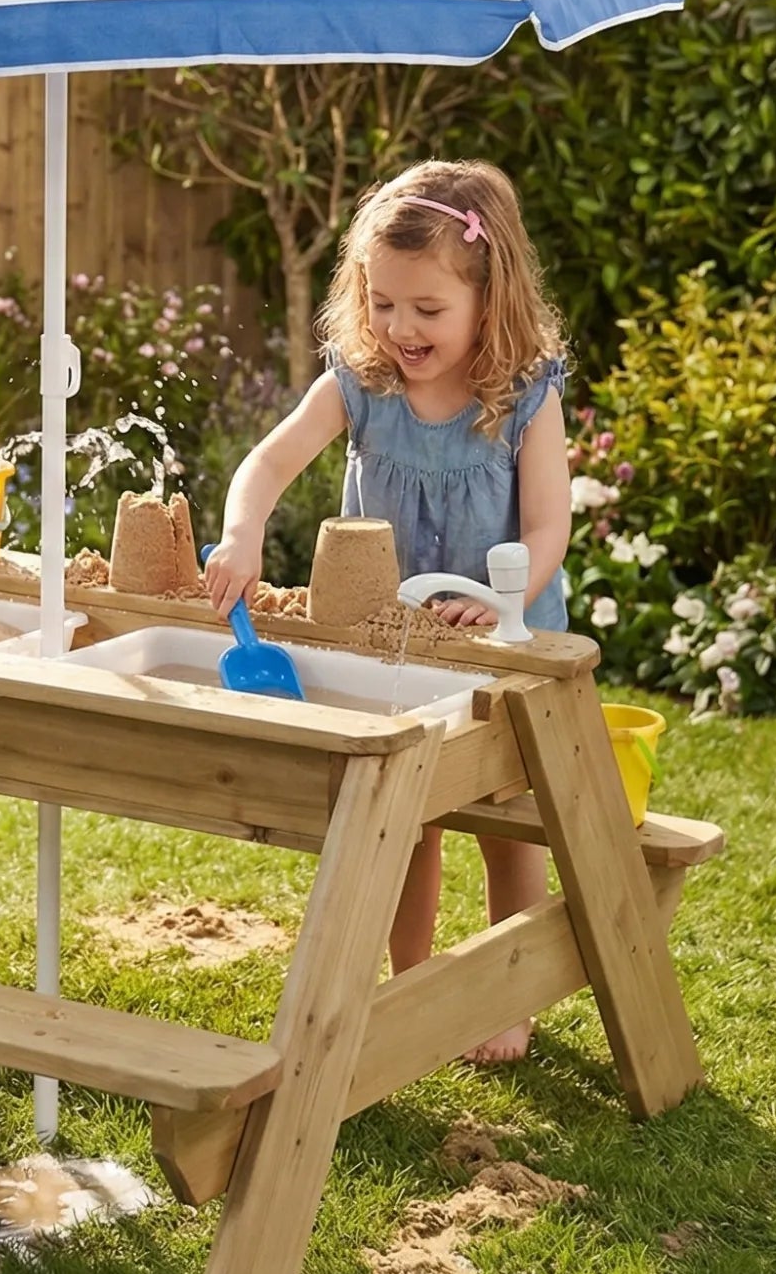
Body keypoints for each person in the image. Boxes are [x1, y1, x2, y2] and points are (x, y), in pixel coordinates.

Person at [203, 160, 571, 1063]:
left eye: (427, 310)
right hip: (397, 651)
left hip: (505, 648)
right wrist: (242, 533)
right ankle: (414, 983)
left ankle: (502, 997)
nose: (400, 329)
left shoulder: (525, 396)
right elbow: (267, 462)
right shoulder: (361, 386)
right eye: (382, 303)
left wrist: (499, 602)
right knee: (407, 817)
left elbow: (549, 525)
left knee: (506, 824)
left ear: (491, 294)